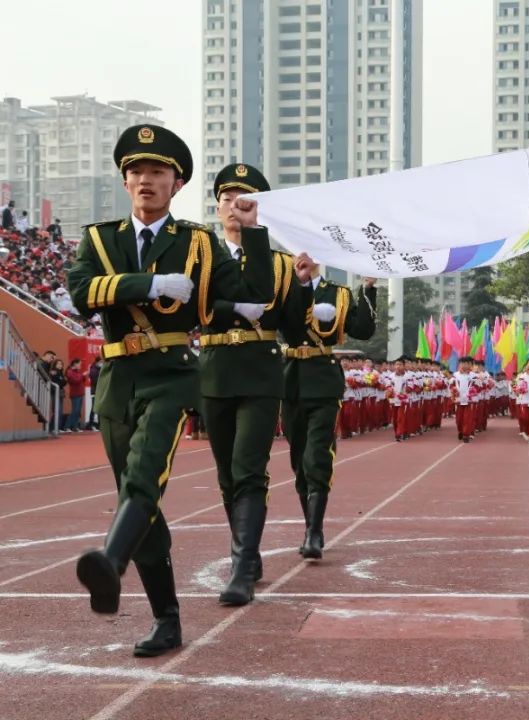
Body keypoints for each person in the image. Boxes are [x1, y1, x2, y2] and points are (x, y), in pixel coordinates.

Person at [66, 123, 274, 657]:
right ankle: (168, 618)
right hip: (116, 379)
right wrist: (148, 285)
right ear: (125, 180)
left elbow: (253, 292)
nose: (144, 180)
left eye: (156, 172)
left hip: (173, 374)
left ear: (176, 183)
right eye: (136, 171)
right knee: (139, 502)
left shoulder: (200, 243)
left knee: (144, 474)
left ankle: (110, 563)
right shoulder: (98, 239)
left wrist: (253, 230)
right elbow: (82, 293)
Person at [199, 163, 315, 606]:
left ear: (258, 210)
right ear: (217, 206)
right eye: (227, 198)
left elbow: (295, 331)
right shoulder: (201, 254)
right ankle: (247, 550)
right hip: (215, 368)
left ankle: (243, 566)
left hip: (262, 371)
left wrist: (303, 289)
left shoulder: (282, 265)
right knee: (227, 474)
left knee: (249, 469)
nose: (234, 206)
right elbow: (195, 306)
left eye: (244, 200)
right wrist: (232, 306)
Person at [278, 262, 377, 560]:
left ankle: (314, 532)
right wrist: (303, 289)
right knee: (298, 459)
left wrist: (369, 290)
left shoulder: (339, 293)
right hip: (292, 378)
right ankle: (310, 524)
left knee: (316, 456)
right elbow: (284, 323)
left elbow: (363, 329)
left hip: (323, 379)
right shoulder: (286, 287)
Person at [65, 357, 89, 432]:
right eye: (79, 364)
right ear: (75, 364)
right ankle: (67, 426)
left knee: (78, 411)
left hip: (80, 393)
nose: (80, 365)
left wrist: (83, 376)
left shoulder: (78, 372)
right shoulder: (70, 372)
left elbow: (81, 381)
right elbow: (76, 381)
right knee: (74, 411)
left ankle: (75, 426)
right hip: (75, 394)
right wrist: (82, 375)